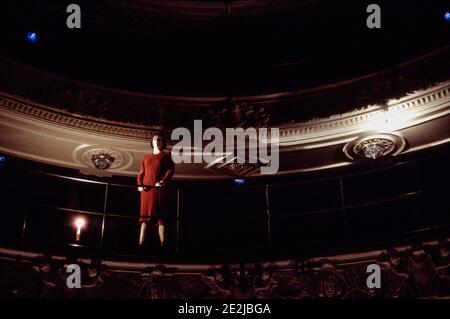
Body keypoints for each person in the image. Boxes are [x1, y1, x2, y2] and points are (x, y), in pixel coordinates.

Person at [137, 133, 174, 247]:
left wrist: (162, 181)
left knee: (160, 217)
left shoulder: (167, 155)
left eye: (159, 139)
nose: (157, 140)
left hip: (158, 189)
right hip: (146, 190)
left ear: (163, 143)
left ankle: (163, 245)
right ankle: (140, 244)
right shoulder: (146, 157)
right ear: (152, 142)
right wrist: (139, 184)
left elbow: (170, 170)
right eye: (154, 138)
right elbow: (140, 173)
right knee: (144, 218)